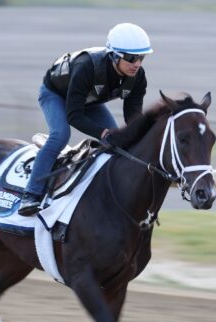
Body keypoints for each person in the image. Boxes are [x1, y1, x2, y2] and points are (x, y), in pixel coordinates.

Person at [18, 22, 153, 216]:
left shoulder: (138, 77)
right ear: (114, 55)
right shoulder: (86, 67)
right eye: (132, 58)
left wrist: (141, 135)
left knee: (117, 145)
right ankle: (30, 194)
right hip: (55, 94)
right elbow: (74, 115)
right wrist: (102, 133)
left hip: (89, 100)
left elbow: (133, 118)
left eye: (141, 57)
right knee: (60, 135)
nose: (137, 64)